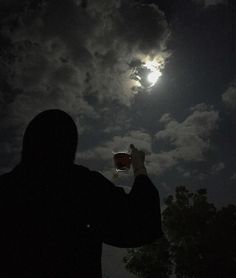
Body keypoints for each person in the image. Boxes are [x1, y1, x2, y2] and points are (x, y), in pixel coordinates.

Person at [0, 109, 162, 278]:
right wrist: (138, 166)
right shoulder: (80, 185)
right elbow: (143, 224)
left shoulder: (6, 189)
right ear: (69, 146)